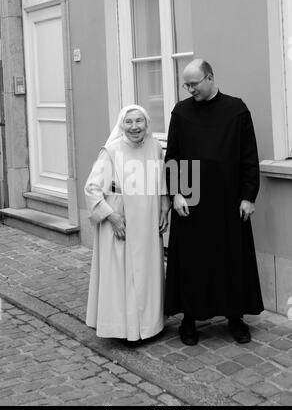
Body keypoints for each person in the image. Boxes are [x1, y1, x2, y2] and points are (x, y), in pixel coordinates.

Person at [164, 59, 264, 345]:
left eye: (193, 84)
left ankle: (236, 317)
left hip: (229, 198)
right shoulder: (181, 112)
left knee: (231, 259)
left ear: (209, 77)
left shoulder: (236, 109)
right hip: (192, 197)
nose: (189, 89)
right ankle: (190, 320)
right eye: (186, 84)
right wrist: (177, 193)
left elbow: (249, 156)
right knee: (193, 262)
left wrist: (248, 196)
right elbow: (172, 156)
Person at [85, 104, 170, 341]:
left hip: (148, 219)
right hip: (120, 220)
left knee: (147, 273)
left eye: (139, 121)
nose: (134, 127)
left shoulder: (155, 147)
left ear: (147, 124)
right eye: (129, 122)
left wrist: (164, 206)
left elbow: (161, 179)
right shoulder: (110, 151)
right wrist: (111, 216)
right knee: (124, 275)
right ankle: (124, 329)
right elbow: (91, 189)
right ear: (122, 125)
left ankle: (150, 326)